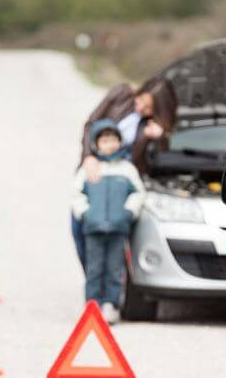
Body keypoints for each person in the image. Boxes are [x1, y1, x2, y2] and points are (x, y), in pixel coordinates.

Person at [71, 77, 176, 269]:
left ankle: (109, 291)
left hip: (119, 185)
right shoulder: (121, 93)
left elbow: (150, 162)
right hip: (92, 172)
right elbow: (91, 124)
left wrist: (156, 138)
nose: (140, 108)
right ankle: (95, 284)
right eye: (140, 101)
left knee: (112, 243)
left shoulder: (154, 127)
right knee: (79, 231)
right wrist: (88, 156)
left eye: (148, 108)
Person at [72, 119, 146, 324]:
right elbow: (77, 194)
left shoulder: (127, 169)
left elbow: (138, 193)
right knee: (94, 268)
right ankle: (92, 305)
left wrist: (128, 212)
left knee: (115, 268)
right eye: (105, 141)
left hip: (118, 228)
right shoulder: (89, 169)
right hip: (93, 228)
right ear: (97, 145)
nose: (110, 144)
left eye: (113, 140)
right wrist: (86, 213)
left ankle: (110, 305)